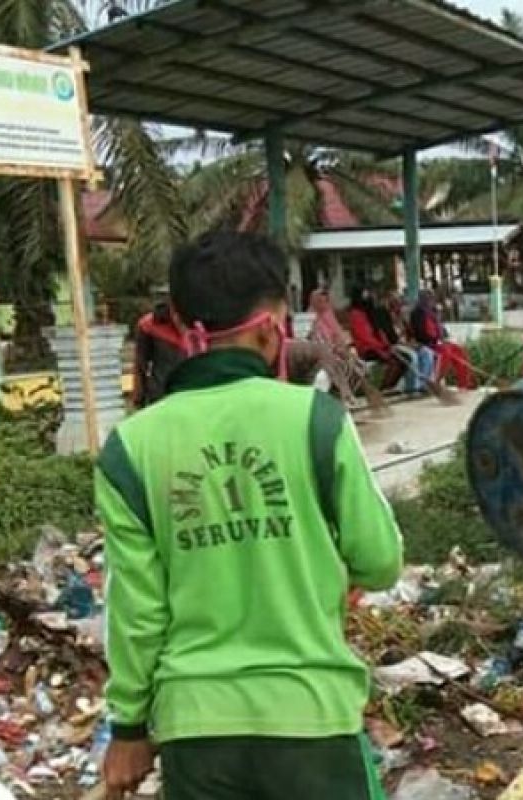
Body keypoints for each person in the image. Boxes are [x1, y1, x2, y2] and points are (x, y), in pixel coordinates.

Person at [98, 232, 403, 800]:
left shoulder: (130, 448)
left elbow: (135, 609)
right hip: (312, 718)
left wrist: (129, 729)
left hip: (197, 729)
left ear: (181, 323)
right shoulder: (316, 419)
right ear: (271, 325)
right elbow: (381, 561)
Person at [131, 286, 185, 409]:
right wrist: (138, 400)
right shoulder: (148, 326)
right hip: (161, 398)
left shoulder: (204, 324)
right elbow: (140, 366)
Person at [410, 290, 475, 390]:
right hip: (427, 344)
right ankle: (435, 381)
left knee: (460, 351)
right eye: (428, 298)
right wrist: (436, 339)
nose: (430, 301)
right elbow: (420, 333)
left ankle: (464, 384)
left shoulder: (432, 313)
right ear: (422, 299)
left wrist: (443, 336)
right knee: (445, 352)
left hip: (438, 342)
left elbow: (442, 331)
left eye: (431, 298)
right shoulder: (417, 313)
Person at [348, 287, 406, 392]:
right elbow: (365, 337)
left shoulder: (369, 313)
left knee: (402, 360)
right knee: (394, 362)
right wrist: (381, 346)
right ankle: (383, 388)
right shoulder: (356, 314)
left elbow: (378, 331)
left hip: (378, 346)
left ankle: (391, 386)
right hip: (366, 349)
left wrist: (386, 344)